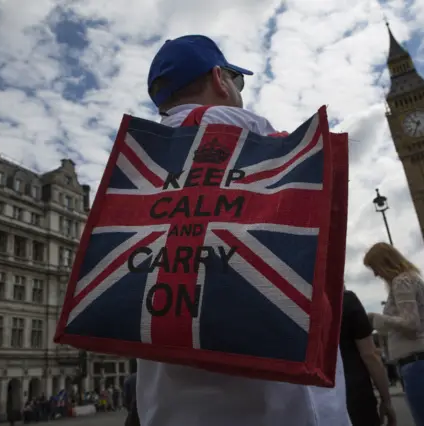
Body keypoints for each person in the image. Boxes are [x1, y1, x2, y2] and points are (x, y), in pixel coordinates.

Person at [136, 34, 351, 426]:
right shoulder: (253, 134)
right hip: (277, 405)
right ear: (220, 79)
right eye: (238, 80)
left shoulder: (141, 167)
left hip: (168, 408)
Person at [364, 242, 424, 426]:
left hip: (417, 364)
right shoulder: (413, 279)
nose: (376, 274)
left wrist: (376, 319)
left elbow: (411, 324)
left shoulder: (401, 281)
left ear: (385, 263)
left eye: (375, 267)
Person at [339, 288, 396, 426]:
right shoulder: (346, 300)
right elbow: (369, 354)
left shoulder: (297, 303)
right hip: (355, 394)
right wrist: (386, 399)